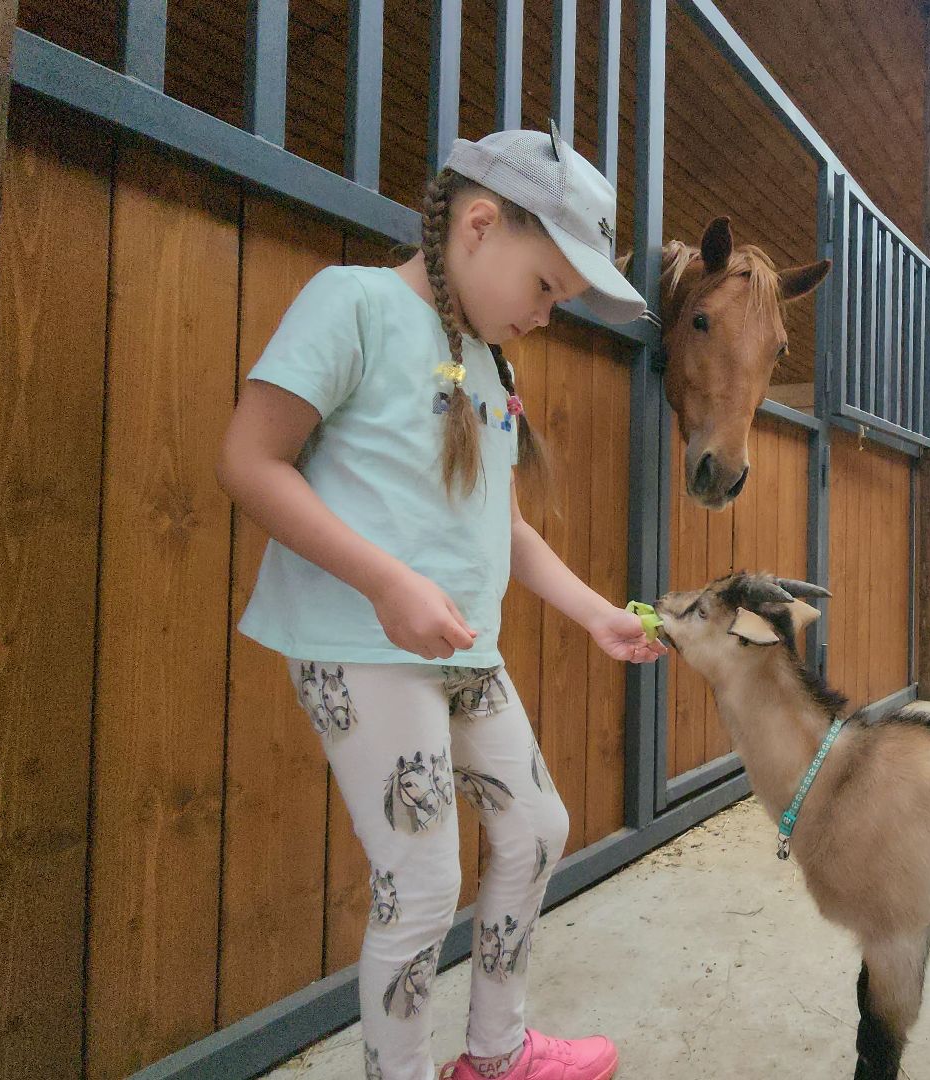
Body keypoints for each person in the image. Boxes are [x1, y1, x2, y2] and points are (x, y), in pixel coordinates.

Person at [218, 126, 662, 1080]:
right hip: (360, 645)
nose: (547, 315)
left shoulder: (493, 365)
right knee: (420, 887)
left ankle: (496, 1053)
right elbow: (249, 463)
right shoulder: (356, 303)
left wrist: (594, 612)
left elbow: (501, 528)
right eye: (546, 287)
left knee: (537, 829)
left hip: (465, 650)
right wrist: (384, 579)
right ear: (479, 224)